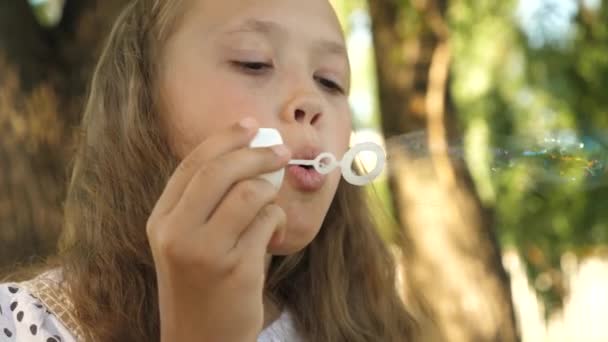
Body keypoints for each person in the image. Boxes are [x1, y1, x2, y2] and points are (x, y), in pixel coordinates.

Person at [0, 0, 417, 340]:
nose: (310, 100)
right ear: (142, 105)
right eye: (254, 63)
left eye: (330, 81)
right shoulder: (25, 324)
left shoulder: (373, 329)